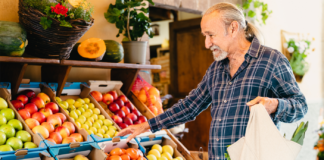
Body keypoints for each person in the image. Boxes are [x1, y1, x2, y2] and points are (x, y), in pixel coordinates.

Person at [117, 2, 308, 160]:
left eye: (211, 35)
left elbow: (300, 107)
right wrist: (146, 125)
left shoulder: (271, 61)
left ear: (233, 28)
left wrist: (275, 105)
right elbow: (189, 106)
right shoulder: (216, 69)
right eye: (205, 36)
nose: (207, 44)